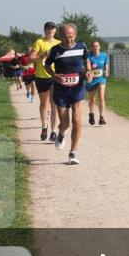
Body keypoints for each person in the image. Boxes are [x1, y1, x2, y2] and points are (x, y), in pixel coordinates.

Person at [44, 23, 92, 165]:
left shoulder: (82, 47)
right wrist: (54, 75)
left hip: (77, 88)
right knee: (64, 123)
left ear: (75, 35)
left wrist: (88, 71)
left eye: (71, 36)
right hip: (61, 90)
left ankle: (73, 153)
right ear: (61, 36)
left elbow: (86, 60)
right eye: (65, 37)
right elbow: (47, 65)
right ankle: (61, 134)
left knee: (77, 119)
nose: (68, 39)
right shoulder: (55, 50)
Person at [28, 23, 60, 140]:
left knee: (54, 104)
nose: (50, 30)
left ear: (55, 30)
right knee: (44, 103)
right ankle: (44, 126)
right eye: (48, 28)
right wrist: (42, 56)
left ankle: (53, 131)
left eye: (52, 28)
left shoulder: (58, 43)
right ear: (45, 30)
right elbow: (30, 59)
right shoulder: (39, 42)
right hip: (41, 76)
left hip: (54, 76)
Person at [86, 41, 109, 125]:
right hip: (91, 80)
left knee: (101, 97)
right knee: (92, 99)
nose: (96, 47)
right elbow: (87, 67)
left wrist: (106, 71)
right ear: (91, 47)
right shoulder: (89, 57)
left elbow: (106, 66)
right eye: (94, 46)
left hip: (101, 79)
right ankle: (91, 114)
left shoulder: (104, 55)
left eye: (97, 46)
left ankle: (101, 117)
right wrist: (89, 71)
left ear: (99, 47)